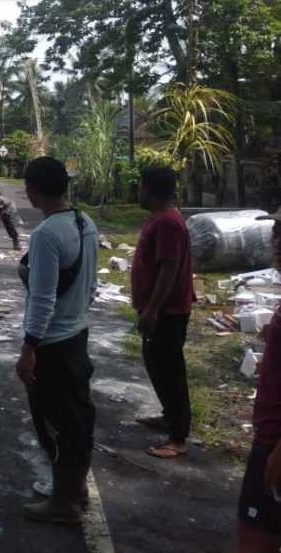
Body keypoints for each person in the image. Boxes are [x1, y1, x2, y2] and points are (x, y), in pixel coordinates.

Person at [16, 156, 98, 526]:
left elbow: (42, 297)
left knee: (55, 422)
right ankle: (74, 490)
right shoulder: (84, 222)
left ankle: (64, 504)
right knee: (76, 417)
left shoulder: (46, 234)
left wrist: (28, 348)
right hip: (77, 334)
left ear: (32, 191)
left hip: (52, 344)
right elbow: (90, 284)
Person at [131, 167, 197, 460]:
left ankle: (179, 436)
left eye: (141, 186)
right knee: (156, 364)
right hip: (159, 310)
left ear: (149, 188)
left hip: (167, 312)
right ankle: (170, 417)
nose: (138, 191)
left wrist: (153, 311)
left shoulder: (168, 222)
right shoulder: (161, 218)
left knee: (170, 371)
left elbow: (169, 268)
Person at [237, 206, 281, 552]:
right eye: (276, 231)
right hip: (269, 435)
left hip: (275, 440)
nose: (276, 242)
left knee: (257, 537)